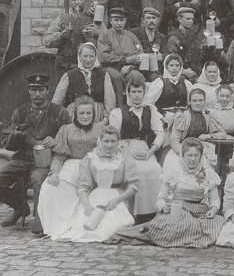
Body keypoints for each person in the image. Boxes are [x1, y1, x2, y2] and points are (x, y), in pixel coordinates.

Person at [108, 138, 225, 248]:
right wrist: (164, 208)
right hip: (179, 211)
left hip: (200, 212)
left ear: (200, 157)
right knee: (177, 225)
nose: (193, 159)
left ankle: (182, 237)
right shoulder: (174, 173)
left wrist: (213, 210)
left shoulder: (208, 174)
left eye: (196, 155)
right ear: (182, 156)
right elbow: (160, 198)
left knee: (219, 224)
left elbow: (214, 197)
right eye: (189, 155)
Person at [0, 74, 69, 229]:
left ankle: (41, 222)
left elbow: (68, 137)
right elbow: (6, 142)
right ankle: (20, 208)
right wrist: (16, 135)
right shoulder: (20, 112)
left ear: (48, 90)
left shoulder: (59, 112)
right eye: (33, 90)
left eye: (41, 90)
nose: (37, 94)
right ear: (28, 91)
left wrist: (55, 140)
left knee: (39, 181)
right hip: (22, 159)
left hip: (45, 162)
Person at [54, 125, 140, 242]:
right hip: (95, 197)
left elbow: (134, 186)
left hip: (115, 198)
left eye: (113, 141)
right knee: (83, 226)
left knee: (111, 227)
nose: (109, 145)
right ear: (100, 140)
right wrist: (86, 205)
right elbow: (83, 185)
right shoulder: (91, 158)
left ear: (118, 141)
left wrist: (117, 200)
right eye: (106, 141)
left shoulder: (125, 159)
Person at [37, 96, 105, 237]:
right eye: (81, 113)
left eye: (88, 113)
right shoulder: (66, 129)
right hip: (71, 166)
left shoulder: (100, 129)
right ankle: (57, 226)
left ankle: (80, 224)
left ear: (93, 114)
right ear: (75, 114)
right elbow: (60, 155)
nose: (85, 116)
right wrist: (54, 172)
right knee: (50, 187)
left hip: (92, 167)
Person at [109, 73, 164, 221]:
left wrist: (151, 151)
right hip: (123, 148)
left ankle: (152, 213)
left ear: (144, 92)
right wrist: (126, 151)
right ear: (128, 93)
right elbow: (113, 136)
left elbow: (160, 133)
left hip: (145, 149)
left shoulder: (150, 110)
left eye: (140, 91)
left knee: (156, 169)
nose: (137, 95)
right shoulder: (119, 112)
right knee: (137, 171)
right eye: (133, 92)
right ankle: (136, 214)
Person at [43, 0, 103, 76]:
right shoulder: (61, 19)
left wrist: (96, 33)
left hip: (87, 66)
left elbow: (108, 38)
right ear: (69, 2)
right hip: (64, 66)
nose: (77, 2)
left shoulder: (94, 19)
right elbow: (46, 41)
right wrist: (61, 36)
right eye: (74, 0)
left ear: (85, 1)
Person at [144, 54, 193, 160]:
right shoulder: (160, 83)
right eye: (171, 65)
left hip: (183, 119)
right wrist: (161, 117)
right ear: (166, 67)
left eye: (177, 65)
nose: (175, 68)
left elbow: (191, 103)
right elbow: (149, 104)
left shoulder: (186, 83)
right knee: (166, 146)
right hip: (166, 119)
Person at [52, 42, 116, 123]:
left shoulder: (104, 75)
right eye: (85, 56)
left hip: (98, 118)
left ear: (96, 57)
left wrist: (104, 122)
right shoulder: (69, 75)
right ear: (79, 57)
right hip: (74, 117)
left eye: (91, 56)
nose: (88, 59)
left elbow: (110, 102)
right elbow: (57, 101)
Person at [165, 88, 225, 172]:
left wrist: (209, 135)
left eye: (201, 100)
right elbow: (174, 141)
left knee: (206, 171)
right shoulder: (182, 117)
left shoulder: (208, 117)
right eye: (194, 100)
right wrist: (184, 155)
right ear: (189, 102)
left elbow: (223, 134)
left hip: (200, 152)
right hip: (181, 151)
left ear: (204, 102)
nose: (198, 103)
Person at [97, 7, 143, 74]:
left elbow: (140, 54)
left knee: (137, 77)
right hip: (110, 68)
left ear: (125, 20)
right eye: (116, 20)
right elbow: (103, 57)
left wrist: (131, 66)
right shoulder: (104, 35)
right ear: (110, 21)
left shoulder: (131, 36)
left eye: (122, 20)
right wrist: (126, 60)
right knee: (116, 77)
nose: (119, 23)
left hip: (129, 68)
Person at [130, 7, 167, 83]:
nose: (151, 21)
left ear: (157, 20)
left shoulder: (161, 37)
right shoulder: (134, 33)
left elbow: (167, 53)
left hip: (155, 70)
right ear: (143, 20)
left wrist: (162, 56)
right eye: (148, 18)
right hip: (138, 69)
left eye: (154, 18)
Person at [166, 7, 204, 80]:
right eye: (187, 19)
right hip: (181, 76)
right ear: (179, 19)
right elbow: (170, 59)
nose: (190, 21)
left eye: (192, 19)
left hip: (195, 75)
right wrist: (183, 71)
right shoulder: (174, 37)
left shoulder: (192, 35)